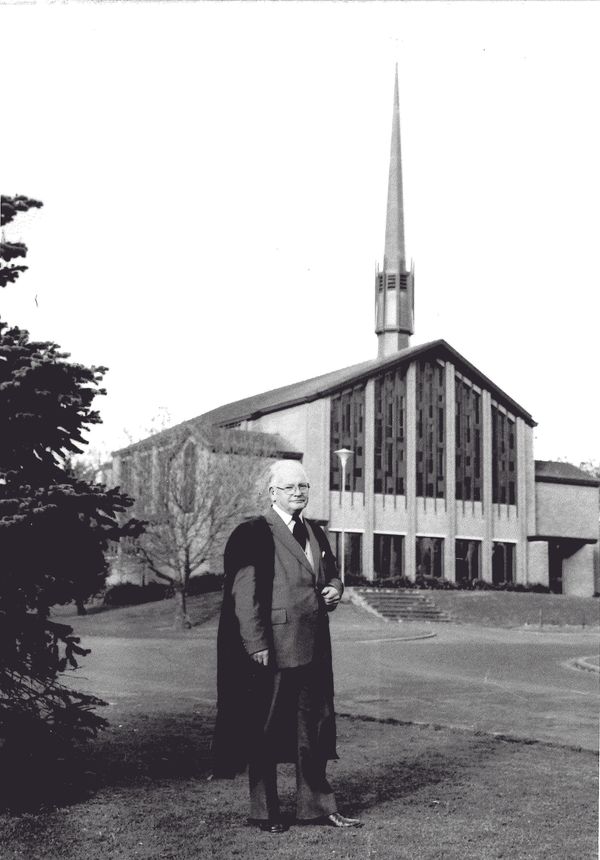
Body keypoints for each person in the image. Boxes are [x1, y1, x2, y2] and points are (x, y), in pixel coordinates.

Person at [212, 459, 363, 833]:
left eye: (304, 487)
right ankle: (265, 812)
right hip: (273, 648)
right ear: (272, 492)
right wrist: (256, 644)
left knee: (312, 729)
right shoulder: (252, 533)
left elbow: (330, 576)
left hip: (312, 648)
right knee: (262, 729)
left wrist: (336, 589)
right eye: (291, 487)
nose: (299, 493)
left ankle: (316, 807)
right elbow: (243, 596)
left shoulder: (315, 531)